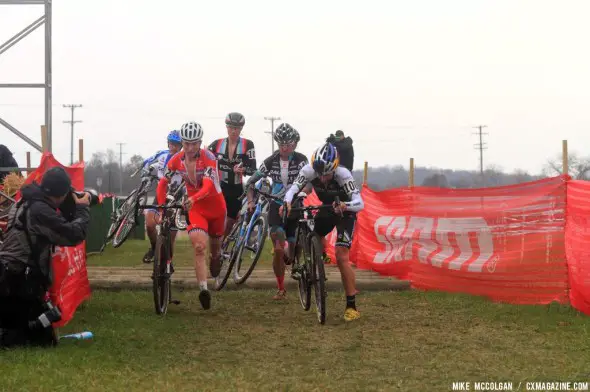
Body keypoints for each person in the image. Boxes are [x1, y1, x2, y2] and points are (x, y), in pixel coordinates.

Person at [0, 167, 92, 348]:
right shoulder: (39, 210)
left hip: (9, 279)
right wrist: (82, 209)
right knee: (34, 338)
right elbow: (74, 235)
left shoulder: (26, 202)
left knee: (43, 332)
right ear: (62, 194)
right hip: (19, 285)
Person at [282, 143, 363, 321]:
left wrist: (345, 205)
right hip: (328, 209)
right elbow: (293, 189)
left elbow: (360, 203)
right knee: (312, 233)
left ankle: (351, 306)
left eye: (327, 174)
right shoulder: (309, 170)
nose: (323, 178)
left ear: (334, 167)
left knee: (342, 256)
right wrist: (287, 202)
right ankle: (313, 262)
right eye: (320, 174)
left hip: (345, 212)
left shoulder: (343, 175)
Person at [157, 121, 226, 311]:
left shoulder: (209, 157)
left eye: (194, 143)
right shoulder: (175, 160)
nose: (190, 148)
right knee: (198, 246)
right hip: (195, 208)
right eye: (186, 143)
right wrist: (162, 209)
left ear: (200, 142)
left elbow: (209, 186)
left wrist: (194, 197)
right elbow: (163, 184)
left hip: (216, 206)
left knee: (215, 254)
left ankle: (216, 258)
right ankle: (203, 289)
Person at [245, 123, 309, 300]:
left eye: (288, 144)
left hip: (295, 204)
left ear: (295, 144)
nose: (284, 148)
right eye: (281, 144)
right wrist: (250, 201)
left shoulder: (302, 160)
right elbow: (250, 182)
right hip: (276, 205)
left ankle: (295, 258)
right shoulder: (270, 161)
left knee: (293, 243)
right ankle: (281, 287)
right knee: (279, 247)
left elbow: (311, 182)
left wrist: (305, 191)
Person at [208, 112, 256, 239]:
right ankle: (215, 245)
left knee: (229, 222)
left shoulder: (248, 145)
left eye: (237, 128)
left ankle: (222, 246)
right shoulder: (216, 144)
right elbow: (204, 162)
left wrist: (243, 170)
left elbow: (253, 169)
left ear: (241, 129)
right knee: (217, 219)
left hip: (236, 189)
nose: (234, 131)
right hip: (219, 187)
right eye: (231, 127)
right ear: (226, 127)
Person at [141, 130, 183, 263]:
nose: (173, 147)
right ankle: (154, 248)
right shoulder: (161, 155)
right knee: (149, 224)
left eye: (176, 144)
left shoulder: (185, 158)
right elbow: (147, 162)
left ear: (181, 145)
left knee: (170, 235)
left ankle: (168, 264)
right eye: (171, 143)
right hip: (160, 194)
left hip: (176, 197)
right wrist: (146, 175)